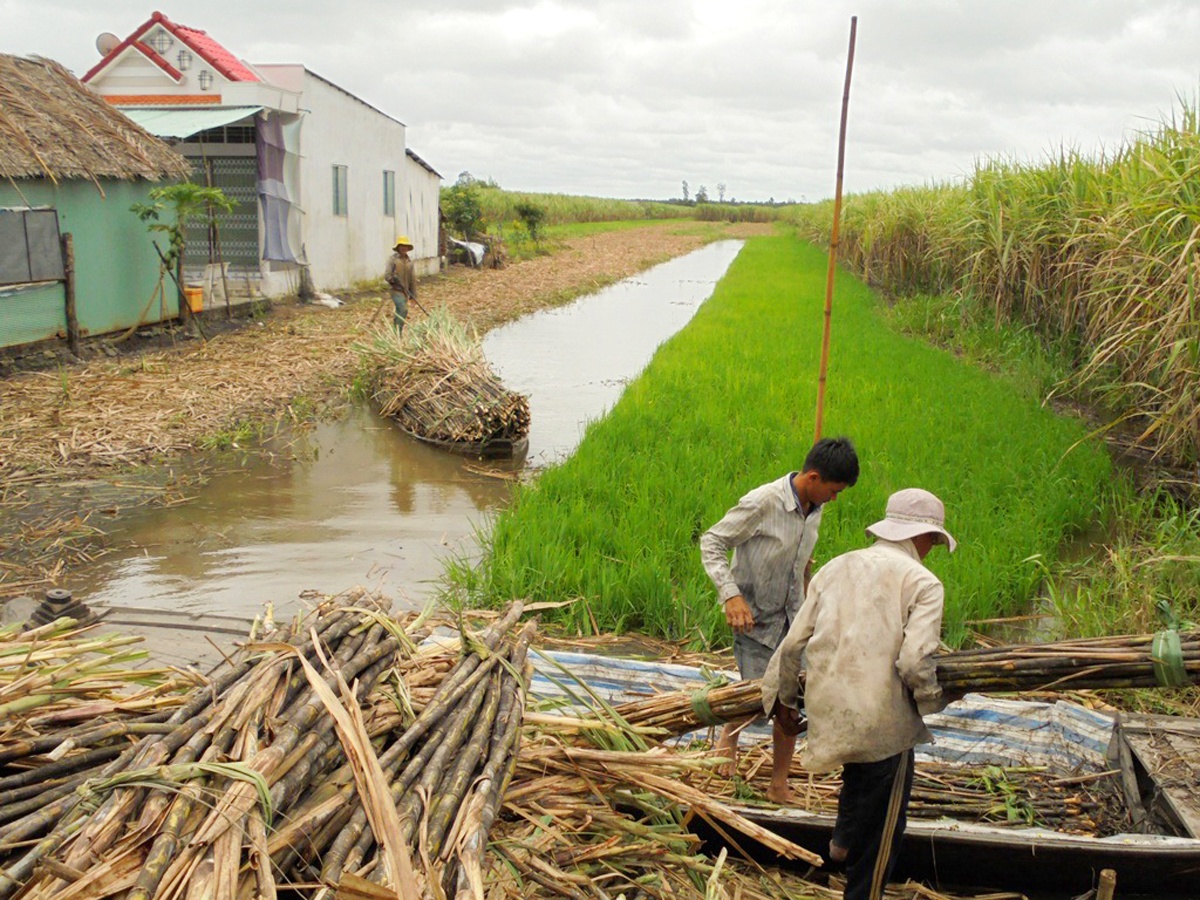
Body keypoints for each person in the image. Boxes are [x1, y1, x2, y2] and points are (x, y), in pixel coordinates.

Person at [761, 488, 956, 900]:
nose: (932, 550)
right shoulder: (923, 582)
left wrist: (786, 704)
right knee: (885, 829)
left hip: (829, 710)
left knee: (858, 765)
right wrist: (935, 699)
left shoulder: (835, 567)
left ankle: (840, 844)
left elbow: (793, 644)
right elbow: (914, 663)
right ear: (923, 537)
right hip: (882, 721)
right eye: (933, 541)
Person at [699, 436, 859, 803]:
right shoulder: (764, 502)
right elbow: (711, 542)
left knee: (790, 703)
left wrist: (807, 587)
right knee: (755, 698)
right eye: (833, 491)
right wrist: (731, 595)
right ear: (814, 477)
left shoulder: (814, 509)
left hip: (795, 620)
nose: (834, 499)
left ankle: (778, 783)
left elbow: (801, 561)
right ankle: (729, 739)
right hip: (755, 619)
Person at [385, 236, 417, 334]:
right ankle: (398, 332)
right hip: (396, 290)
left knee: (399, 312)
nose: (404, 248)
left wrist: (413, 295)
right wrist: (392, 279)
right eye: (402, 246)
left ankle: (396, 333)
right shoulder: (393, 260)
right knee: (403, 310)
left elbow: (412, 280)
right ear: (398, 247)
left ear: (408, 248)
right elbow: (387, 275)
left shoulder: (409, 262)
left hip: (405, 292)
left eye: (406, 246)